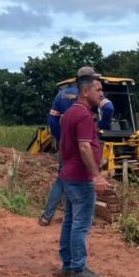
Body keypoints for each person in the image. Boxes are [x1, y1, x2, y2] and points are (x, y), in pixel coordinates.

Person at [39, 66, 114, 226]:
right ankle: (84, 217)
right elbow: (109, 108)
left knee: (63, 179)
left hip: (68, 146)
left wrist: (62, 138)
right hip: (86, 142)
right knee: (85, 180)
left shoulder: (62, 95)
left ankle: (47, 216)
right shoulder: (93, 95)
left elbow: (52, 120)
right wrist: (99, 128)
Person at [58, 73, 112, 277]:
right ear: (85, 91)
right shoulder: (84, 116)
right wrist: (96, 176)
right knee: (80, 224)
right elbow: (83, 146)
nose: (102, 94)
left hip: (68, 176)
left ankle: (67, 264)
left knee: (70, 221)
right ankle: (78, 269)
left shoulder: (70, 113)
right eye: (98, 90)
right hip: (80, 179)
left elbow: (64, 146)